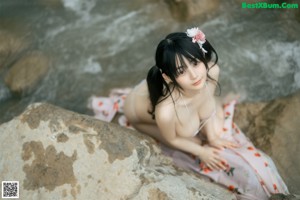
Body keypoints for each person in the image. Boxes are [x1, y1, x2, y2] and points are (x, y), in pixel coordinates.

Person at [121, 27, 290, 199]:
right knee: (195, 142)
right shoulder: (166, 110)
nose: (194, 75)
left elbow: (207, 99)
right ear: (169, 78)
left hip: (174, 94)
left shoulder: (212, 71)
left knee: (214, 131)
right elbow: (172, 139)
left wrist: (213, 138)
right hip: (137, 114)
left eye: (195, 63)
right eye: (181, 71)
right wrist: (201, 152)